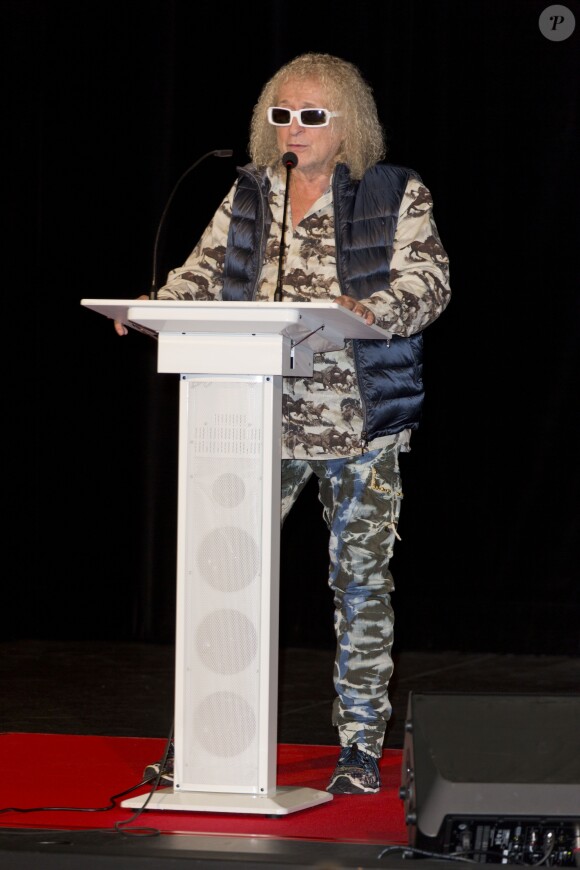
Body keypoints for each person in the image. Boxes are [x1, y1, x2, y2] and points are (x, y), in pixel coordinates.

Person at [115, 52, 451, 795]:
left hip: (360, 427)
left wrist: (374, 310)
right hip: (254, 418)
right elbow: (201, 274)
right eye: (281, 114)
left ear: (347, 123)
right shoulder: (249, 193)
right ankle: (199, 740)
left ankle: (360, 747)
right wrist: (154, 308)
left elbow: (428, 283)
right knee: (218, 574)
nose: (292, 129)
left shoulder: (396, 193)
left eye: (310, 116)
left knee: (359, 585)